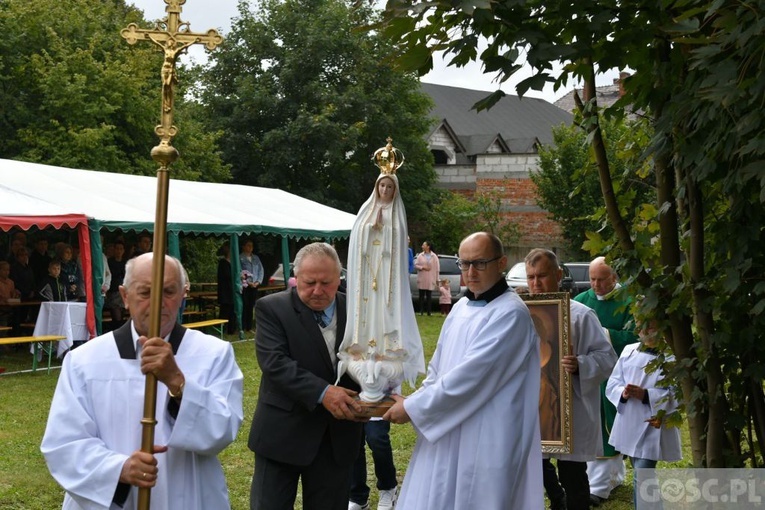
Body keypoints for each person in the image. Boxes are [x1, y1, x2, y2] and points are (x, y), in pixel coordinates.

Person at [40, 253, 244, 510]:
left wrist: (177, 381)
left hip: (190, 495)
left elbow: (222, 431)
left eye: (169, 291)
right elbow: (64, 442)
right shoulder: (84, 361)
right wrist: (120, 469)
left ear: (184, 294)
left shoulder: (214, 354)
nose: (158, 302)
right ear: (125, 296)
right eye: (145, 292)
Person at [384, 232, 543, 509]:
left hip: (488, 431)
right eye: (464, 263)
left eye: (480, 263)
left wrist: (413, 408)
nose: (470, 272)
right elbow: (439, 369)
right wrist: (416, 399)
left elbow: (472, 377)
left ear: (502, 262)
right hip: (449, 424)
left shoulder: (510, 314)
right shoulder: (460, 308)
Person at [248, 242, 365, 510]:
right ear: (295, 277)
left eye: (327, 283)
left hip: (337, 439)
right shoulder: (271, 309)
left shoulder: (359, 311)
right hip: (282, 434)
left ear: (339, 278)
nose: (317, 291)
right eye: (309, 282)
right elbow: (275, 363)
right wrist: (324, 393)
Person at [525, 249, 617, 510]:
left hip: (570, 411)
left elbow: (607, 358)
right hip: (533, 407)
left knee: (573, 475)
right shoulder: (519, 313)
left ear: (558, 275)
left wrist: (580, 365)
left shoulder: (581, 314)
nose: (535, 284)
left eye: (542, 276)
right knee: (535, 465)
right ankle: (557, 500)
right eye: (530, 277)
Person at [337, 171, 424, 404]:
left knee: (384, 310)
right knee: (368, 311)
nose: (385, 191)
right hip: (368, 277)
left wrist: (384, 230)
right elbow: (357, 239)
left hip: (387, 278)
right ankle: (364, 346)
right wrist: (369, 228)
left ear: (395, 190)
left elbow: (398, 241)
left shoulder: (397, 215)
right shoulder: (366, 211)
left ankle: (387, 348)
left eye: (389, 187)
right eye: (382, 186)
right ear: (376, 188)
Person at [574, 256, 638, 506]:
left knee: (608, 428)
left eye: (602, 279)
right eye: (592, 279)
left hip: (618, 376)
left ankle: (600, 485)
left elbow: (636, 337)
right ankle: (609, 478)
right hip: (586, 374)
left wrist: (603, 335)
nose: (596, 285)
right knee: (591, 425)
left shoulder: (630, 302)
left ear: (615, 277)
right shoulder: (580, 301)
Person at [606, 318, 681, 508]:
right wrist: (623, 392)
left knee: (643, 473)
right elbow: (613, 383)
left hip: (653, 420)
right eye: (641, 325)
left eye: (651, 325)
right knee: (643, 475)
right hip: (629, 419)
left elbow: (678, 392)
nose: (645, 329)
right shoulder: (629, 351)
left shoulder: (672, 356)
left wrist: (646, 394)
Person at [348, 413, 399, 510]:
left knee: (377, 439)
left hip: (377, 401)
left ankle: (388, 488)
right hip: (352, 400)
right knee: (354, 442)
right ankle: (357, 496)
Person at [239, 239, 264, 334]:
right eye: (248, 245)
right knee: (244, 305)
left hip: (255, 285)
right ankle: (243, 326)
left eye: (252, 246)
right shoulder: (240, 257)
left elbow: (261, 270)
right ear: (244, 246)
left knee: (251, 306)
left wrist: (258, 282)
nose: (250, 248)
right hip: (245, 285)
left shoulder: (256, 258)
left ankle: (249, 327)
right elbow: (239, 271)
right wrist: (247, 282)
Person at [106, 241, 128, 330]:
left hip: (124, 291)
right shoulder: (109, 262)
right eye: (117, 249)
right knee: (116, 314)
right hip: (113, 292)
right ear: (114, 250)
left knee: (122, 313)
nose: (119, 251)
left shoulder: (126, 263)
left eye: (121, 249)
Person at [216, 242, 237, 335]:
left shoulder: (234, 263)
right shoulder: (223, 263)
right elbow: (227, 275)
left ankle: (231, 329)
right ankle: (222, 329)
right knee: (225, 311)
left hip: (232, 291)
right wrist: (237, 276)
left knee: (233, 310)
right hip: (225, 291)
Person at [414, 241, 439, 316]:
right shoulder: (420, 256)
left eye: (423, 245)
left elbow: (437, 269)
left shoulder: (434, 256)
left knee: (429, 296)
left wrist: (437, 279)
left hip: (431, 278)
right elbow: (416, 265)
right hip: (422, 278)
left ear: (428, 246)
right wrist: (422, 267)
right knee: (421, 296)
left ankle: (429, 311)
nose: (422, 246)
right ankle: (421, 311)